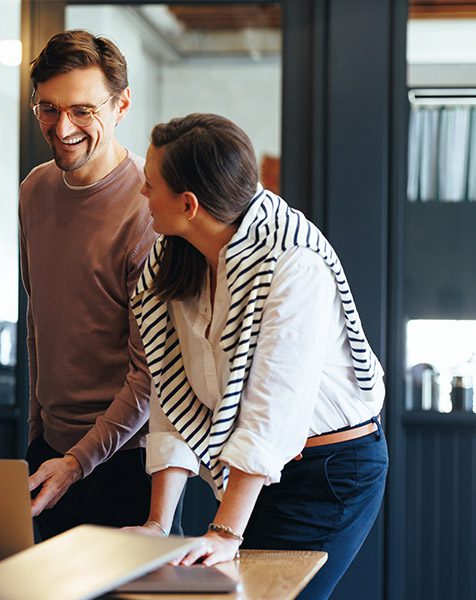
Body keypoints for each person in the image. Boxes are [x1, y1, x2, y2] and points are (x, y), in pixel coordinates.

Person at [128, 113, 387, 599]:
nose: (142, 194)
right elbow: (171, 390)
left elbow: (275, 412)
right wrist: (157, 525)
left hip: (330, 473)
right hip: (256, 477)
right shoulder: (175, 257)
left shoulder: (293, 263)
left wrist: (225, 533)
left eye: (149, 185)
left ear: (188, 204)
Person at [20, 30, 181, 541]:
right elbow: (39, 321)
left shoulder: (149, 210)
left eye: (82, 110)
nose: (62, 127)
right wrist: (39, 438)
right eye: (48, 108)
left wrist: (77, 460)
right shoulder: (35, 189)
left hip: (125, 460)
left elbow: (150, 372)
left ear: (122, 105)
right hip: (48, 454)